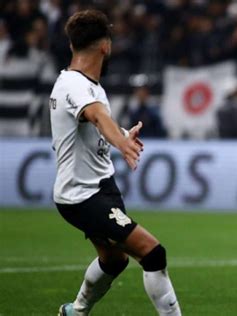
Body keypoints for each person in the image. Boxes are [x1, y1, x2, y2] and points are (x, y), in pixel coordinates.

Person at [49, 10, 181, 315]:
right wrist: (120, 142)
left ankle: (76, 311)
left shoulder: (86, 85)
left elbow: (96, 123)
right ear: (105, 47)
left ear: (72, 45)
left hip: (100, 188)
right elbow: (97, 116)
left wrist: (122, 134)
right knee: (153, 253)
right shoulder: (74, 86)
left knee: (114, 260)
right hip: (82, 195)